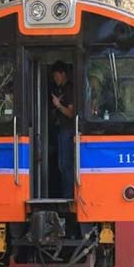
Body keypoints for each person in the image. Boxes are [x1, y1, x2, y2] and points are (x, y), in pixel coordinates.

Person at [50, 61, 75, 198]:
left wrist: (58, 105)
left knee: (66, 165)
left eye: (56, 76)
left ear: (63, 74)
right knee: (61, 164)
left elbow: (71, 113)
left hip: (68, 130)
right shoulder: (60, 90)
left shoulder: (69, 90)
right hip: (61, 130)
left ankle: (69, 195)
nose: (55, 79)